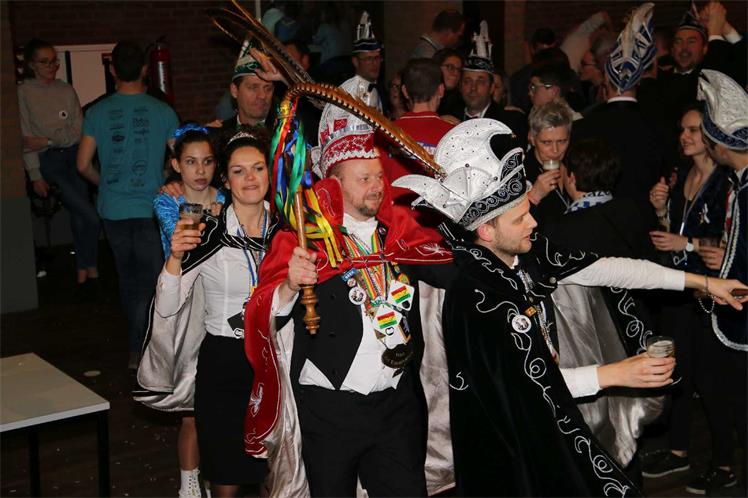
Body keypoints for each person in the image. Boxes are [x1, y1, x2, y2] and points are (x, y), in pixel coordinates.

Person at [391, 117, 748, 496]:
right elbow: (528, 385)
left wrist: (704, 282)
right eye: (520, 218)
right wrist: (617, 374)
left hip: (542, 431)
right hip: (508, 455)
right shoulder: (478, 297)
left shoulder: (527, 256)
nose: (533, 222)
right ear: (486, 231)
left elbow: (611, 269)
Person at [243, 94, 454, 496]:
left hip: (397, 405)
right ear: (334, 185)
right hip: (330, 411)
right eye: (364, 179)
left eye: (378, 176)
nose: (377, 186)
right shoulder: (303, 239)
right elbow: (263, 311)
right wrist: (290, 285)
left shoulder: (400, 233)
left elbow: (450, 272)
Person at [152, 129, 277, 497]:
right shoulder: (207, 232)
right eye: (239, 171)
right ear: (225, 179)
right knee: (226, 475)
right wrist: (176, 257)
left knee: (278, 473)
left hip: (277, 359)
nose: (250, 178)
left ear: (270, 173)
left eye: (258, 168)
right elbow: (168, 306)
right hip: (225, 361)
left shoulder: (287, 230)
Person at [641, 101, 737, 494]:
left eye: (693, 130)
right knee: (677, 371)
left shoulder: (728, 182)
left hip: (711, 292)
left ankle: (725, 463)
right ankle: (678, 451)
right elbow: (673, 234)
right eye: (682, 129)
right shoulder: (682, 175)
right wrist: (661, 209)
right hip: (680, 288)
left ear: (711, 135)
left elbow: (728, 243)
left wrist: (690, 244)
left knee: (712, 383)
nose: (684, 136)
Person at [77, 41, 179, 369]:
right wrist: (165, 176)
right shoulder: (164, 111)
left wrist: (104, 184)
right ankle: (147, 348)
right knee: (152, 281)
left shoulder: (96, 112)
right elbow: (180, 159)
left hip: (113, 210)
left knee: (128, 279)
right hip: (151, 209)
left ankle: (138, 348)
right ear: (146, 70)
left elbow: (82, 165)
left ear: (112, 70)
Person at [18, 38, 100, 287]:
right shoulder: (24, 92)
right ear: (31, 65)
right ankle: (88, 265)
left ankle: (86, 268)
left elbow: (78, 130)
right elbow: (26, 139)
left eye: (54, 61)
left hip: (74, 154)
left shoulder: (65, 90)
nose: (51, 66)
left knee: (79, 214)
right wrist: (35, 175)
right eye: (45, 62)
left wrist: (46, 139)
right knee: (89, 214)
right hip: (50, 161)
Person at [573, 3, 665, 212]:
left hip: (599, 218)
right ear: (638, 81)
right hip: (644, 218)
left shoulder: (585, 126)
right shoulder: (657, 124)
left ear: (606, 80)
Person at [386, 58, 454, 206]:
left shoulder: (385, 132)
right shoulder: (453, 136)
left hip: (394, 217)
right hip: (436, 219)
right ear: (441, 90)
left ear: (404, 91)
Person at [460, 21, 527, 148]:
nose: (473, 88)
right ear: (460, 86)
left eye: (480, 81)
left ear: (491, 88)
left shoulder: (510, 122)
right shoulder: (450, 118)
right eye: (467, 81)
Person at [525, 100, 572, 228]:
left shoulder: (576, 165)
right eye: (546, 142)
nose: (555, 150)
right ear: (532, 138)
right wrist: (533, 197)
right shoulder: (519, 173)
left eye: (562, 141)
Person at [340, 11, 383, 112]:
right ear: (355, 62)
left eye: (377, 58)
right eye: (369, 59)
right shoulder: (347, 94)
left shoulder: (380, 90)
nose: (374, 63)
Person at [509, 27, 557, 113]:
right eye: (542, 52)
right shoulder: (520, 78)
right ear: (532, 49)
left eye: (551, 51)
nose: (547, 56)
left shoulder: (565, 75)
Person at [434, 48, 464, 118]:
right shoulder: (425, 95)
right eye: (450, 67)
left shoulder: (461, 101)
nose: (456, 73)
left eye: (459, 70)